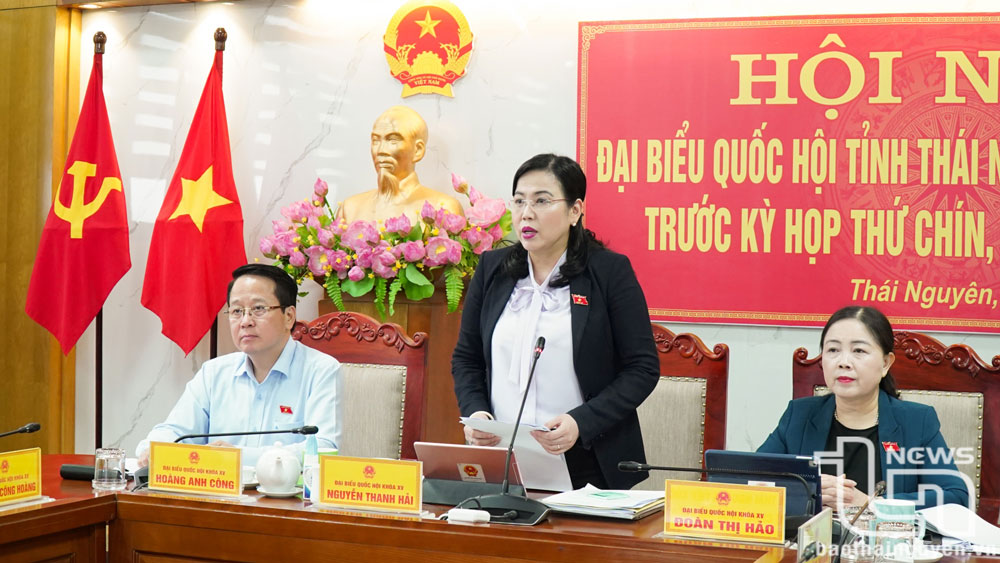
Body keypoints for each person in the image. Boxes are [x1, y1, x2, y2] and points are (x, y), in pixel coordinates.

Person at [452, 153, 659, 490]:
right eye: (519, 201)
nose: (526, 213)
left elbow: (642, 368)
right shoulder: (492, 269)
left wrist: (581, 422)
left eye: (541, 201)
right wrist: (476, 413)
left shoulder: (609, 272)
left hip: (585, 462)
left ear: (575, 211)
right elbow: (466, 358)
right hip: (501, 460)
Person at [758, 306, 969, 510]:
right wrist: (806, 492)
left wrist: (872, 504)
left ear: (886, 363)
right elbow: (751, 480)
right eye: (833, 350)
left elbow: (955, 496)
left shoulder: (917, 421)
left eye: (858, 350)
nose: (843, 362)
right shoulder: (799, 415)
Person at [136, 264, 342, 466]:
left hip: (288, 489)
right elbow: (175, 431)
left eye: (258, 309)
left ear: (289, 317)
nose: (245, 321)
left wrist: (238, 457)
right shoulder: (214, 373)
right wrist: (153, 448)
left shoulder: (321, 371)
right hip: (217, 487)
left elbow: (323, 448)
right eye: (236, 311)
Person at [338, 105, 463, 224]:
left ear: (418, 150)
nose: (380, 150)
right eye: (375, 140)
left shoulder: (443, 209)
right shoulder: (350, 209)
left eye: (393, 140)